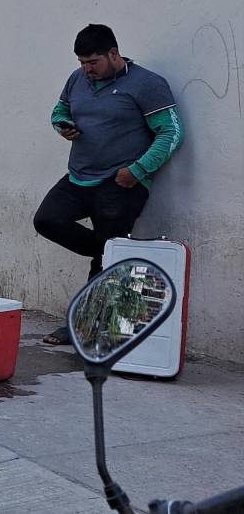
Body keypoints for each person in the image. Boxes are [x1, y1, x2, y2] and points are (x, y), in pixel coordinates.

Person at [33, 24, 183, 345]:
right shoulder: (78, 79)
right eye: (82, 63)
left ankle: (83, 329)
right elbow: (60, 109)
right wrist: (62, 124)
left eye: (93, 63)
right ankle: (110, 252)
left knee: (105, 257)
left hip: (122, 182)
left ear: (113, 54)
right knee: (47, 220)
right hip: (80, 175)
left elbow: (170, 133)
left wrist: (138, 169)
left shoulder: (147, 84)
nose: (86, 70)